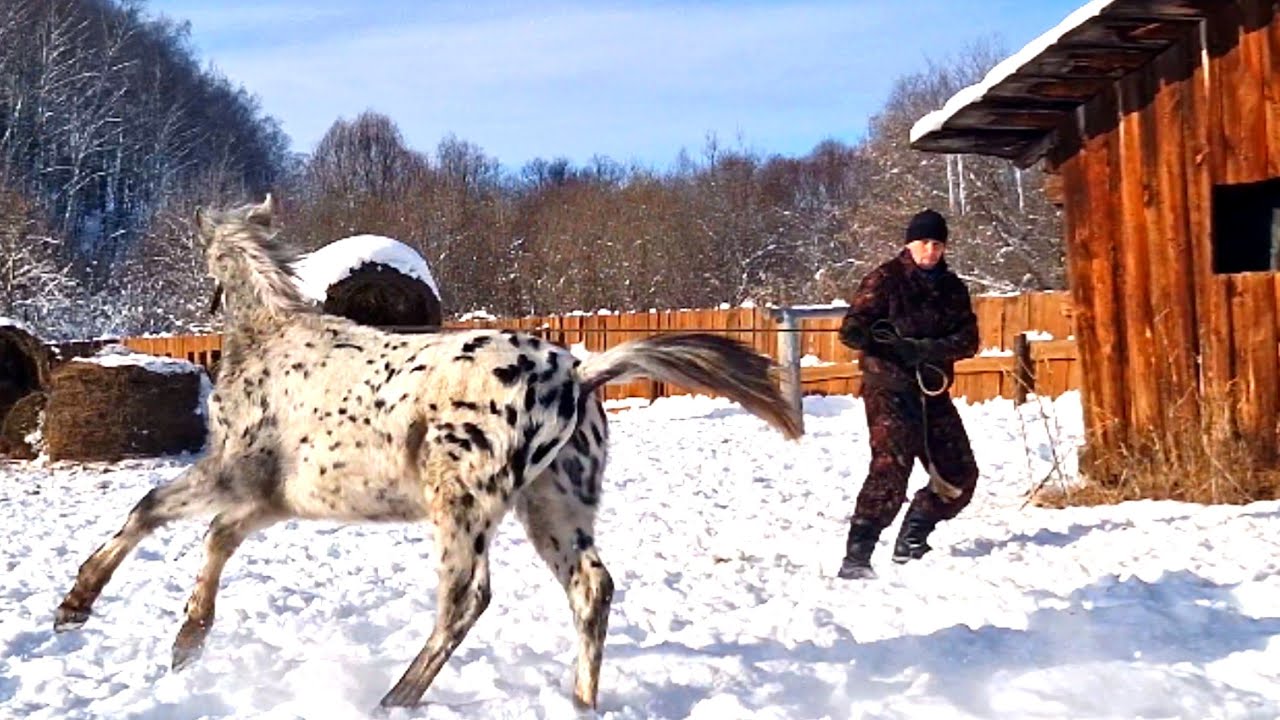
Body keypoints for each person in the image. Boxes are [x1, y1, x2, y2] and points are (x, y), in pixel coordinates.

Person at [835, 208, 980, 580]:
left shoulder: (953, 289)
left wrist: (925, 349)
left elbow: (968, 340)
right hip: (889, 389)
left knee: (960, 473)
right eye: (924, 243)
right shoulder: (884, 279)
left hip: (932, 391)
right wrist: (862, 336)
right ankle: (858, 554)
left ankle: (915, 534)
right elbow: (853, 325)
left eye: (937, 244)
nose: (930, 251)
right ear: (909, 244)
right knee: (890, 468)